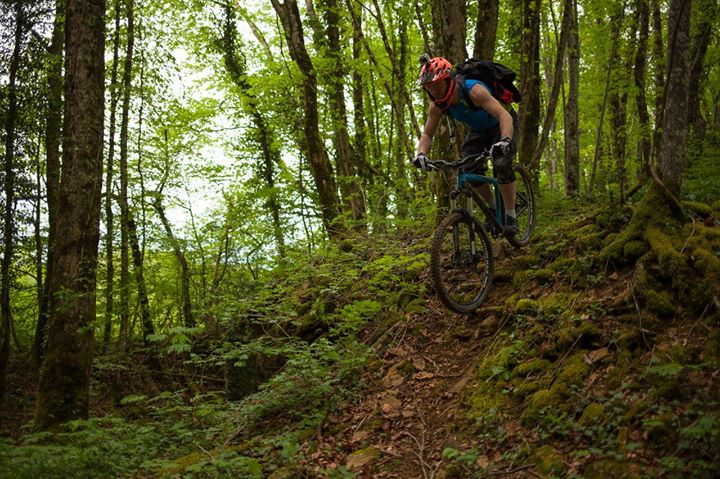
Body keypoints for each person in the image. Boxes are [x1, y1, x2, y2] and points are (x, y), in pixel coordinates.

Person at [413, 56, 519, 235]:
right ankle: (493, 207)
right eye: (429, 87)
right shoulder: (437, 106)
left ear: (448, 80)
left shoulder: (474, 91)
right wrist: (421, 154)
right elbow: (427, 134)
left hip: (502, 124)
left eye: (437, 85)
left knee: (501, 163)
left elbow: (504, 116)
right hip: (478, 129)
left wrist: (505, 140)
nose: (434, 91)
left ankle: (510, 214)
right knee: (468, 168)